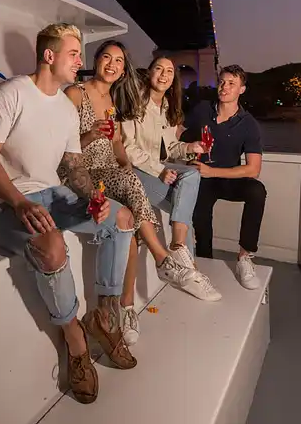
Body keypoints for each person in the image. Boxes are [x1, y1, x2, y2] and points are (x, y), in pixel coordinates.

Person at [0, 23, 137, 405]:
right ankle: (76, 342)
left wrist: (92, 196)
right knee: (53, 247)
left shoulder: (65, 107)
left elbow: (73, 166)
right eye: (74, 54)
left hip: (51, 192)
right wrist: (18, 201)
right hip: (2, 202)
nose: (82, 62)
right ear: (50, 56)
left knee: (122, 217)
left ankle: (105, 317)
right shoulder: (10, 92)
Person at [64, 42, 219, 344]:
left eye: (119, 60)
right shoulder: (79, 94)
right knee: (136, 206)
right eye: (106, 58)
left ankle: (179, 257)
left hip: (114, 169)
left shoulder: (114, 100)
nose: (112, 64)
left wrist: (190, 149)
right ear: (94, 60)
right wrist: (141, 165)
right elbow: (65, 145)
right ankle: (164, 264)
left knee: (189, 178)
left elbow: (122, 146)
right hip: (85, 170)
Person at [182, 64, 267, 290]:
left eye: (232, 83)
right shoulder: (202, 110)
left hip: (227, 178)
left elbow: (253, 169)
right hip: (201, 177)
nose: (224, 87)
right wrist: (186, 150)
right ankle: (204, 264)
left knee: (257, 191)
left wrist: (212, 172)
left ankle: (244, 257)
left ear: (242, 89)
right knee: (201, 215)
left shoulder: (248, 124)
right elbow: (178, 133)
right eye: (222, 82)